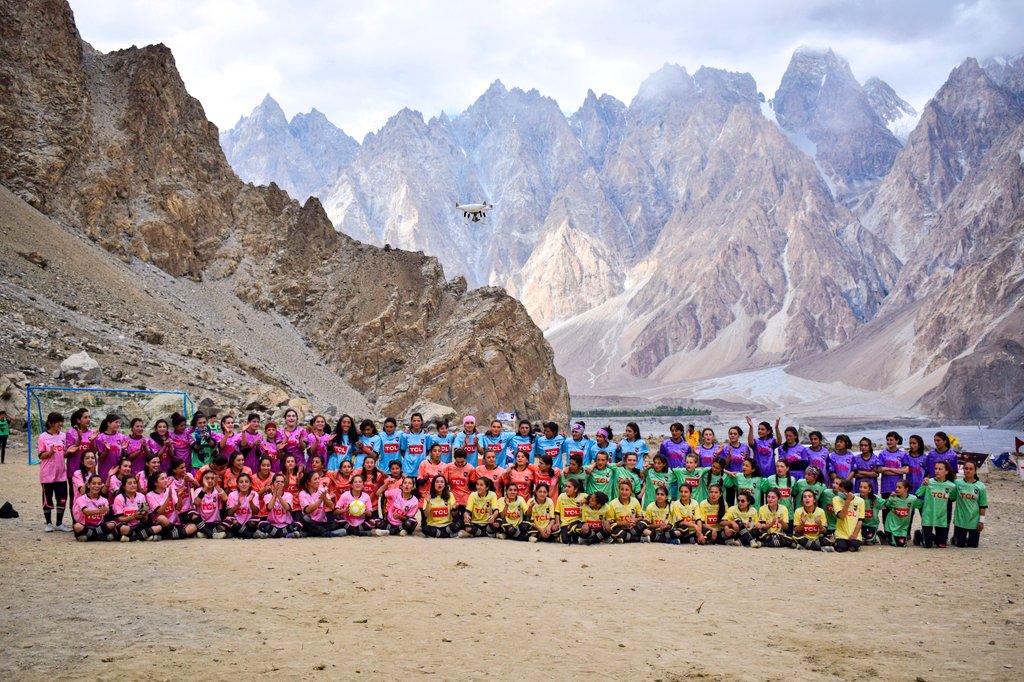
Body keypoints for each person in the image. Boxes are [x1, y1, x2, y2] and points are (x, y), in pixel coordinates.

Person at [37, 412, 70, 532]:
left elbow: (64, 453)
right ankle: (49, 523)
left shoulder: (63, 436)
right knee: (48, 498)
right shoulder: (43, 437)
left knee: (62, 498)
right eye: (58, 422)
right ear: (51, 423)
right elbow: (41, 455)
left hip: (61, 473)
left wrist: (70, 451)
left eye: (61, 421)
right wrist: (50, 453)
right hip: (47, 474)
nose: (60, 424)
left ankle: (60, 523)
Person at [913, 460, 956, 548]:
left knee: (941, 545)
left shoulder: (951, 486)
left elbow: (952, 498)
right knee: (928, 546)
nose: (937, 471)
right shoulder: (928, 482)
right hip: (928, 517)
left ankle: (925, 534)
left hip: (941, 518)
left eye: (940, 469)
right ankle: (919, 535)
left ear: (946, 471)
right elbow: (917, 494)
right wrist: (923, 484)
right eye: (936, 469)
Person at [147, 470, 197, 540]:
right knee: (161, 518)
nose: (165, 480)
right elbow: (159, 512)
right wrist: (168, 499)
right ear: (155, 483)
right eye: (162, 479)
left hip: (175, 523)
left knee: (193, 527)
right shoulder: (150, 495)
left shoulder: (171, 490)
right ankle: (177, 534)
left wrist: (179, 496)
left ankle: (166, 536)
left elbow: (178, 508)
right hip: (161, 525)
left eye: (166, 478)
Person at [112, 476, 162, 542]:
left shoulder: (141, 496)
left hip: (138, 526)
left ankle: (132, 538)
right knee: (124, 529)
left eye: (135, 483)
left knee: (159, 527)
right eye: (130, 483)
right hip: (125, 526)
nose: (133, 485)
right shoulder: (119, 498)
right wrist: (133, 516)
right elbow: (120, 519)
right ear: (124, 486)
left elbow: (145, 519)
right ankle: (143, 536)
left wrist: (144, 517)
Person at [300, 471, 346, 537]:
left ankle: (310, 533)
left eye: (319, 478)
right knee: (305, 518)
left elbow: (332, 506)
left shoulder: (322, 490)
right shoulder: (303, 493)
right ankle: (328, 533)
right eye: (315, 479)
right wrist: (320, 500)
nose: (318, 481)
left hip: (322, 522)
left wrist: (325, 499)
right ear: (308, 482)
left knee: (338, 521)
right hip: (311, 522)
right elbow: (307, 510)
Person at [952, 460, 986, 548]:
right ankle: (956, 538)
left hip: (974, 521)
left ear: (975, 471)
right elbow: (951, 497)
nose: (968, 471)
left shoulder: (980, 486)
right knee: (960, 545)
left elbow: (983, 505)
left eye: (971, 469)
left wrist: (981, 521)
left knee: (973, 546)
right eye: (966, 468)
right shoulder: (957, 483)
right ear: (963, 470)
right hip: (960, 521)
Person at [72, 474, 114, 541]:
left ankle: (89, 536)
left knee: (112, 524)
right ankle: (99, 537)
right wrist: (99, 511)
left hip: (98, 527)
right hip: (85, 526)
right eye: (94, 483)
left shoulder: (104, 500)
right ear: (88, 485)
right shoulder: (81, 499)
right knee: (77, 526)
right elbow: (86, 512)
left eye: (99, 484)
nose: (96, 486)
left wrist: (106, 511)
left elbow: (106, 511)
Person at [260, 473, 302, 538]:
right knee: (261, 524)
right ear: (273, 483)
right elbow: (269, 508)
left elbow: (287, 508)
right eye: (277, 482)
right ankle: (286, 534)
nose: (280, 484)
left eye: (282, 482)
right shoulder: (267, 496)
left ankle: (273, 534)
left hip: (286, 524)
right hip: (273, 524)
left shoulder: (288, 495)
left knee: (298, 524)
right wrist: (275, 495)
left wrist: (279, 496)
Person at [444, 448, 476, 529]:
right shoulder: (449, 467)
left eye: (462, 462)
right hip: (453, 498)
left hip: (466, 498)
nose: (460, 464)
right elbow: (445, 483)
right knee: (454, 520)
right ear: (454, 458)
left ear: (465, 459)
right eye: (458, 462)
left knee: (465, 521)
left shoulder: (470, 468)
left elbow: (472, 486)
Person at [192, 468, 228, 539]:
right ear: (202, 479)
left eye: (212, 478)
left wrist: (216, 484)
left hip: (215, 522)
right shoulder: (198, 490)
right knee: (193, 516)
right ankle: (211, 534)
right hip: (202, 523)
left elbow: (225, 498)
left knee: (228, 522)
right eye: (207, 478)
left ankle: (205, 534)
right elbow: (196, 502)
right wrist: (205, 488)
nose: (210, 480)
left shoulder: (217, 490)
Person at [224, 472, 260, 538]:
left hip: (248, 524)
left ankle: (236, 534)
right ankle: (250, 535)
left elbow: (256, 512)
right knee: (230, 520)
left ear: (250, 484)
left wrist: (251, 502)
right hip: (236, 523)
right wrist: (238, 504)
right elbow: (229, 513)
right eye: (241, 482)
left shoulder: (254, 494)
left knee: (256, 519)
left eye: (246, 482)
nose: (244, 484)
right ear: (237, 484)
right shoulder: (232, 495)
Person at [64, 408, 95, 485]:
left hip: (88, 469)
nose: (88, 420)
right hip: (74, 468)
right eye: (85, 417)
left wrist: (92, 441)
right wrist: (79, 439)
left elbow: (94, 452)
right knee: (73, 493)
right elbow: (69, 452)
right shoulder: (70, 433)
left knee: (88, 493)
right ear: (78, 420)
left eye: (89, 417)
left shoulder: (91, 433)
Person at [609, 479, 645, 543]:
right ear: (618, 490)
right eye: (622, 489)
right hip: (620, 528)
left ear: (631, 492)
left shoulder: (635, 501)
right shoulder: (613, 503)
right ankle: (639, 539)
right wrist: (624, 523)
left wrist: (634, 520)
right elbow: (611, 523)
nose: (624, 492)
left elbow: (641, 517)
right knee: (614, 532)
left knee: (643, 524)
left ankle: (625, 538)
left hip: (632, 528)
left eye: (627, 490)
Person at [882, 480, 917, 548]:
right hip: (891, 527)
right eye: (896, 487)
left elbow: (920, 505)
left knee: (902, 544)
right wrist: (890, 498)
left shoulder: (913, 499)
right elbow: (884, 506)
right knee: (896, 544)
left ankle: (918, 534)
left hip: (902, 528)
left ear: (906, 489)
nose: (896, 489)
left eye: (899, 487)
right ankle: (884, 535)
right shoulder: (893, 498)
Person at [831, 480, 864, 552]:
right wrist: (848, 501)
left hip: (855, 533)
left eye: (842, 491)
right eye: (839, 490)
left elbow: (860, 520)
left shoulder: (860, 501)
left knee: (853, 546)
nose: (839, 492)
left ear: (850, 492)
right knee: (841, 548)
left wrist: (855, 535)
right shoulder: (836, 499)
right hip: (841, 533)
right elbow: (841, 516)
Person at [95, 413, 128, 481]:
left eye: (119, 423)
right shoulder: (100, 437)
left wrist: (124, 450)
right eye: (116, 422)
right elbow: (100, 459)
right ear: (109, 423)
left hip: (118, 471)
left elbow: (123, 456)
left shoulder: (121, 437)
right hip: (104, 470)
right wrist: (107, 451)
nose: (118, 424)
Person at [555, 478, 587, 544]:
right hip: (565, 523)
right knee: (565, 541)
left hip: (578, 522)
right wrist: (557, 522)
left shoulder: (583, 496)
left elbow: (595, 497)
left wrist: (586, 501)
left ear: (575, 489)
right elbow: (557, 512)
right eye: (565, 486)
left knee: (582, 529)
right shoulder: (561, 496)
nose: (566, 488)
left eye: (569, 487)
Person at [858, 479, 883, 544]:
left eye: (865, 488)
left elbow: (886, 504)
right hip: (861, 524)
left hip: (872, 524)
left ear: (869, 490)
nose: (862, 489)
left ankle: (875, 537)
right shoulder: (856, 497)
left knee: (869, 543)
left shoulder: (876, 499)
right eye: (860, 487)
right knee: (862, 541)